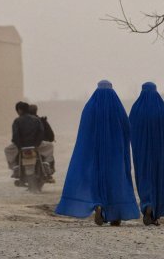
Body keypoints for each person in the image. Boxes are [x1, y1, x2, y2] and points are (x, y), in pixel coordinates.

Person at [55, 80, 139, 226]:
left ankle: (98, 204)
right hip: (114, 155)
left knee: (96, 180)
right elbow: (127, 130)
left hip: (94, 155)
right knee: (115, 182)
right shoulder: (117, 108)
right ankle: (115, 215)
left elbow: (83, 134)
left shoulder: (89, 108)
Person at [129, 82, 164, 226]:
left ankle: (147, 204)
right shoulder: (163, 110)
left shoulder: (136, 109)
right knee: (159, 179)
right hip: (161, 154)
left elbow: (131, 132)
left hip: (142, 154)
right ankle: (155, 212)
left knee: (145, 178)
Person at [4, 102, 53, 179]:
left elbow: (15, 136)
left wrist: (19, 147)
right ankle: (46, 163)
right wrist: (36, 145)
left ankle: (15, 167)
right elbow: (41, 133)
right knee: (50, 146)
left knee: (7, 150)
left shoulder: (17, 121)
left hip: (21, 147)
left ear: (19, 110)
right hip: (35, 146)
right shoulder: (37, 120)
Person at [27, 103, 56, 177]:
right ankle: (47, 163)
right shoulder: (41, 120)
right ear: (36, 111)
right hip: (39, 145)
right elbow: (50, 135)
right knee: (50, 146)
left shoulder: (21, 121)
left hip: (24, 146)